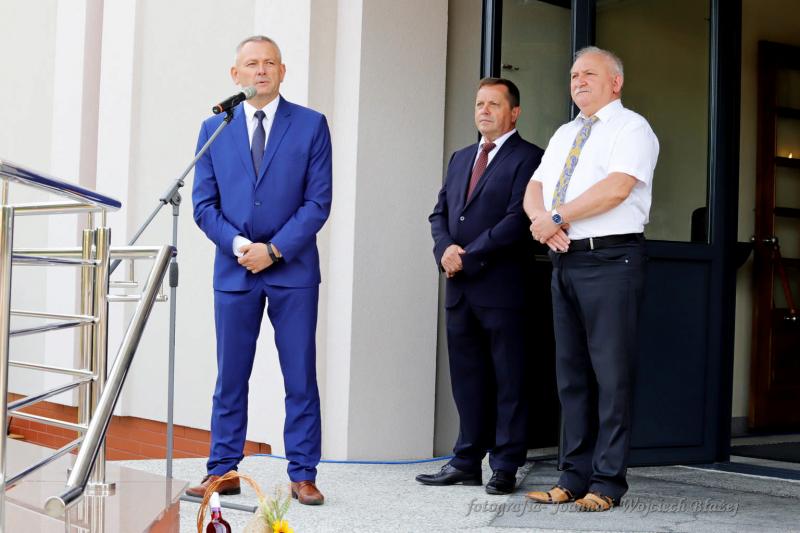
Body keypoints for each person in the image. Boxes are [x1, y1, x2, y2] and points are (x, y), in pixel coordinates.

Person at [189, 35, 332, 506]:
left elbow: (317, 202)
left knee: (300, 376)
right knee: (230, 377)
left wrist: (274, 250)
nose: (261, 70)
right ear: (236, 75)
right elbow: (203, 205)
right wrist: (238, 245)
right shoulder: (214, 128)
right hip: (235, 272)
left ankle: (303, 473)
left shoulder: (310, 125)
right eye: (251, 64)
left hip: (293, 271)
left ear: (282, 71)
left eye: (270, 63)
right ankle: (223, 469)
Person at [523, 46, 659, 511]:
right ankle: (571, 477)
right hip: (566, 260)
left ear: (615, 83)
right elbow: (535, 186)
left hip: (611, 261)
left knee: (611, 377)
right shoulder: (565, 132)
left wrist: (558, 216)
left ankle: (607, 483)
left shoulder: (632, 128)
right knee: (571, 377)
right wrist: (542, 221)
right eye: (574, 75)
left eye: (589, 74)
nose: (578, 81)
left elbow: (618, 188)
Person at [419, 78, 543, 495]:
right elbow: (439, 214)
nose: (484, 111)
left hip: (502, 288)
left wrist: (467, 256)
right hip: (460, 289)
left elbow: (518, 220)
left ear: (514, 112)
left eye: (494, 104)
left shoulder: (530, 158)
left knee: (510, 380)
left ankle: (505, 464)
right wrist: (444, 250)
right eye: (479, 104)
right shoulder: (460, 158)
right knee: (467, 378)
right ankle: (466, 460)